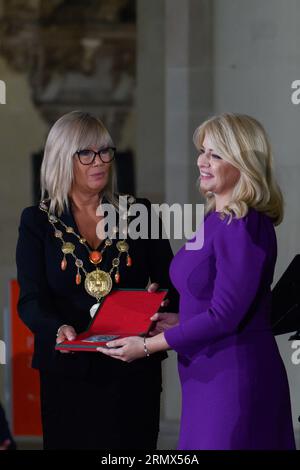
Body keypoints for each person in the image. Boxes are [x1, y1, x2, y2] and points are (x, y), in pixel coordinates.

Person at [98, 113, 296, 450]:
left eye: (216, 155)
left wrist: (146, 347)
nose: (203, 161)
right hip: (204, 373)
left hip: (232, 377)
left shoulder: (243, 224)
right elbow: (213, 301)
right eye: (203, 151)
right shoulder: (216, 219)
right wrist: (178, 320)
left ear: (244, 164)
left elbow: (225, 316)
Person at [16, 110, 178, 450]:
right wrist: (57, 327)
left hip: (132, 369)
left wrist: (158, 300)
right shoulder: (37, 221)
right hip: (68, 372)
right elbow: (31, 299)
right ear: (62, 158)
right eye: (86, 153)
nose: (100, 161)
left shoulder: (139, 213)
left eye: (105, 151)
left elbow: (172, 284)